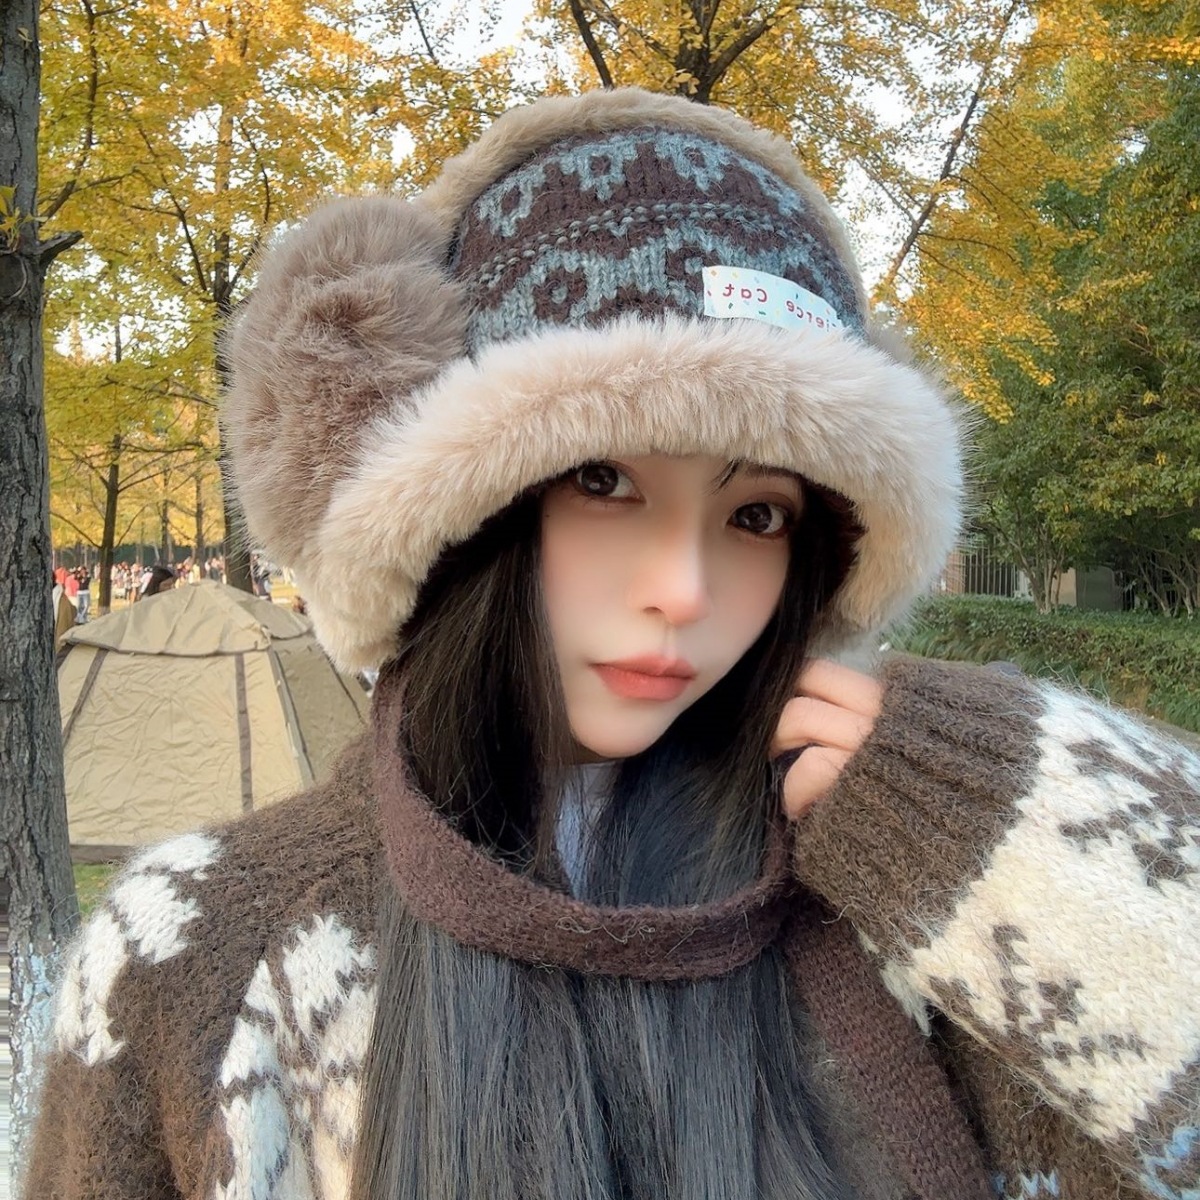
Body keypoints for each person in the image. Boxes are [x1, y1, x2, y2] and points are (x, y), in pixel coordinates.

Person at [26, 89, 1200, 1200]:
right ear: (465, 515)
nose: (683, 591)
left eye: (757, 515)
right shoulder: (193, 953)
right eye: (602, 480)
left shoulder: (930, 913)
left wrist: (1001, 805)